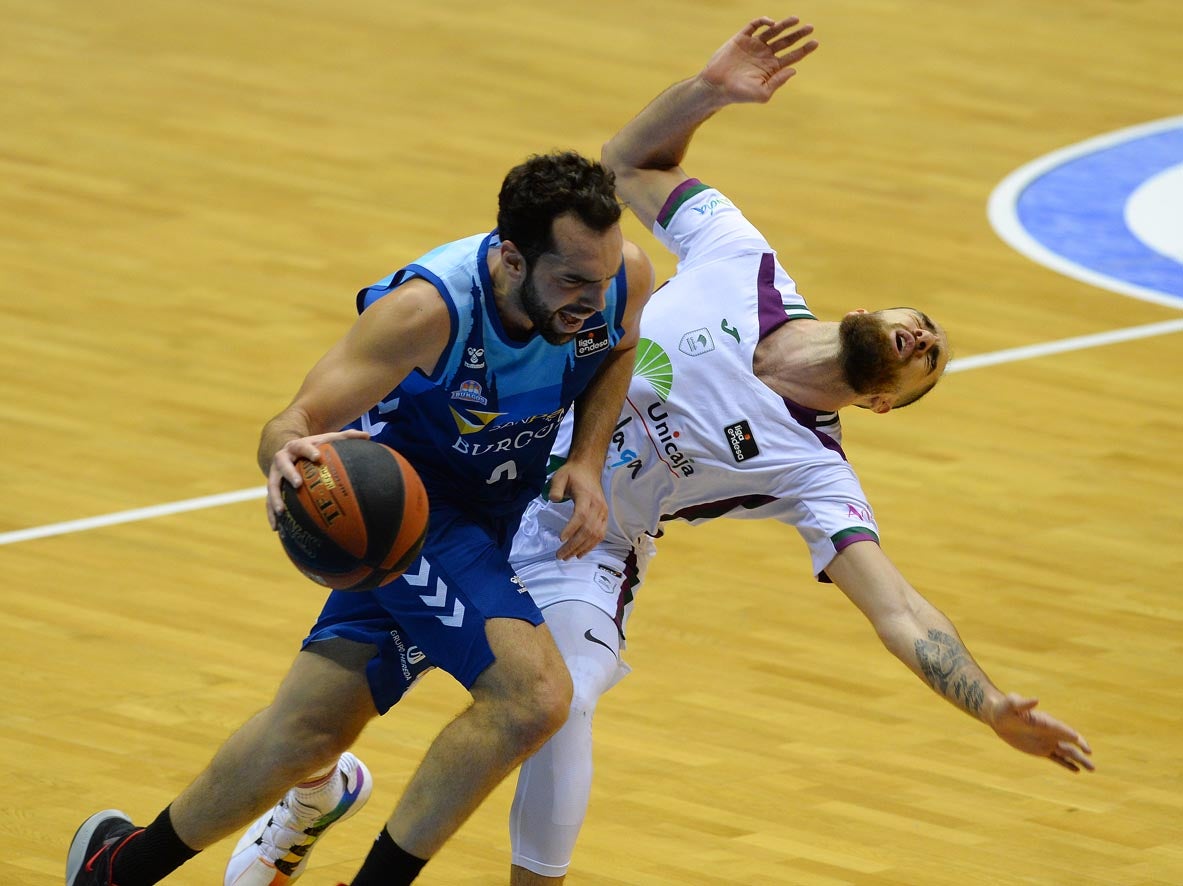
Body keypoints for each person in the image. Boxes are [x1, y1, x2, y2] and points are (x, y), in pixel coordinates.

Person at [231, 17, 1094, 885]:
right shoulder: (742, 261)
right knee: (318, 717)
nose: (923, 339)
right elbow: (627, 163)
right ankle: (314, 794)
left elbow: (898, 609)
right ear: (879, 307)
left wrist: (985, 705)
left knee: (557, 703)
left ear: (879, 402)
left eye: (929, 363)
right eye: (923, 326)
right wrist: (711, 90)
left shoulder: (814, 471)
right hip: (475, 480)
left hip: (585, 549)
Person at [65, 149, 654, 886]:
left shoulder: (620, 277)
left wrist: (588, 459)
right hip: (413, 519)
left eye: (598, 281)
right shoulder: (427, 311)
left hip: (496, 514)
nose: (590, 300)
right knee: (533, 698)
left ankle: (115, 871)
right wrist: (286, 455)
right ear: (509, 257)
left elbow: (617, 347)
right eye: (570, 281)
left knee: (305, 734)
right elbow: (293, 420)